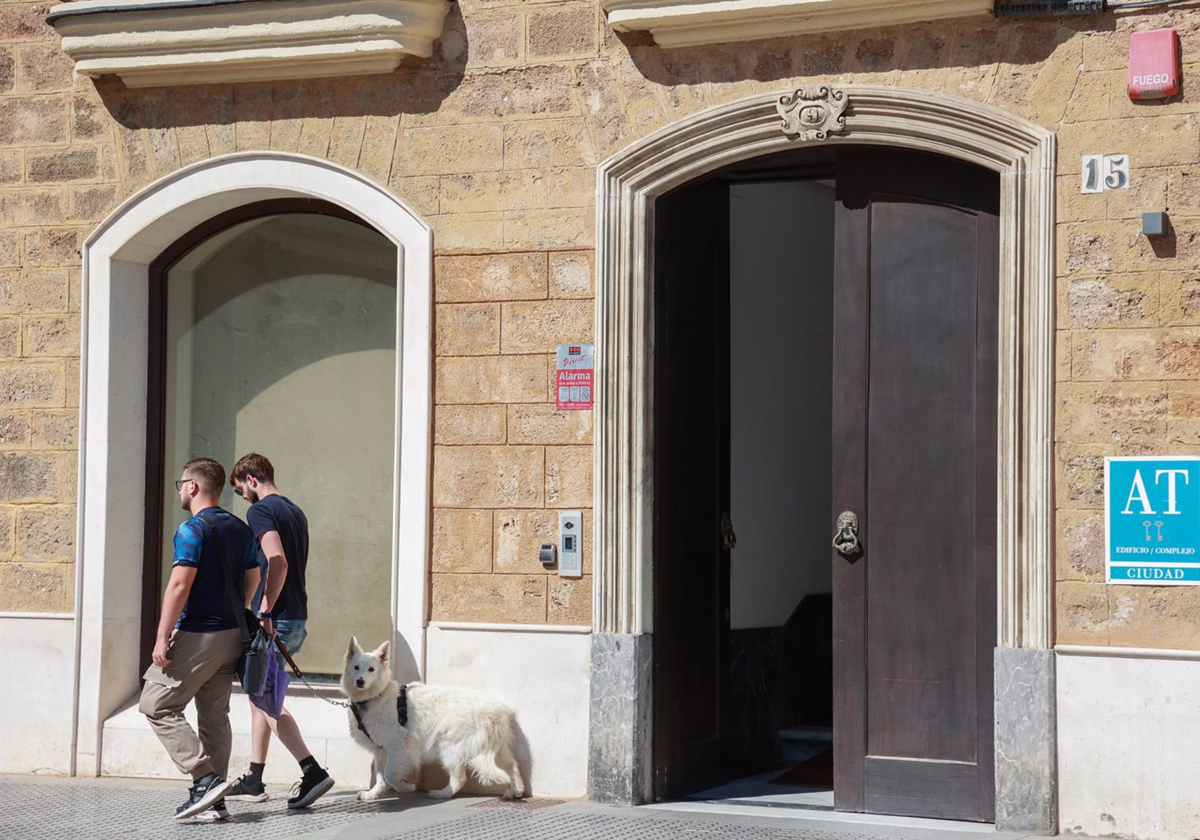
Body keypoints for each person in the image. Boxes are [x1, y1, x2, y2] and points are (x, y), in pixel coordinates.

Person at [139, 457, 260, 822]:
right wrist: (240, 606)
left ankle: (203, 778)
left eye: (181, 484)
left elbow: (179, 583)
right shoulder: (240, 528)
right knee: (213, 717)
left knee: (155, 704)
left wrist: (162, 636)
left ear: (192, 486)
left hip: (199, 634)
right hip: (232, 636)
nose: (180, 490)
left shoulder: (192, 529)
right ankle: (215, 801)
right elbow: (254, 574)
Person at [225, 453, 335, 809]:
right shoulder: (294, 510)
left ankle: (312, 771)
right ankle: (255, 778)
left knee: (267, 702)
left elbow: (277, 560)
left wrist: (266, 609)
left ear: (251, 479)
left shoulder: (260, 511)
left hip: (277, 618)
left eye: (242, 490)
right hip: (296, 615)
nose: (244, 499)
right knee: (261, 697)